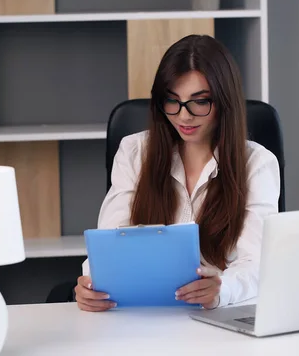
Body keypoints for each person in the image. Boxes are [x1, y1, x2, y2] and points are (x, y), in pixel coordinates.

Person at [74, 34, 280, 312]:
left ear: (224, 101)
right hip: (141, 313)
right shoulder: (135, 152)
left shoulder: (257, 163)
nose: (183, 116)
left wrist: (221, 290)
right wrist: (92, 283)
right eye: (172, 101)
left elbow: (257, 262)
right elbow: (110, 243)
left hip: (218, 315)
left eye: (200, 101)